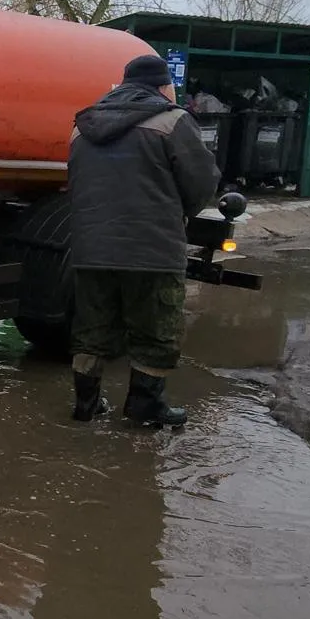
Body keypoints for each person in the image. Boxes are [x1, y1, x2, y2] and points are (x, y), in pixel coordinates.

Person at [65, 54, 220, 426]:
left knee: (92, 330)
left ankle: (86, 404)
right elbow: (201, 184)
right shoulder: (173, 120)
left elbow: (76, 184)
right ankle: (145, 406)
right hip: (152, 250)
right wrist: (175, 210)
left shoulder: (82, 126)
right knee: (155, 330)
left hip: (91, 249)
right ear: (163, 86)